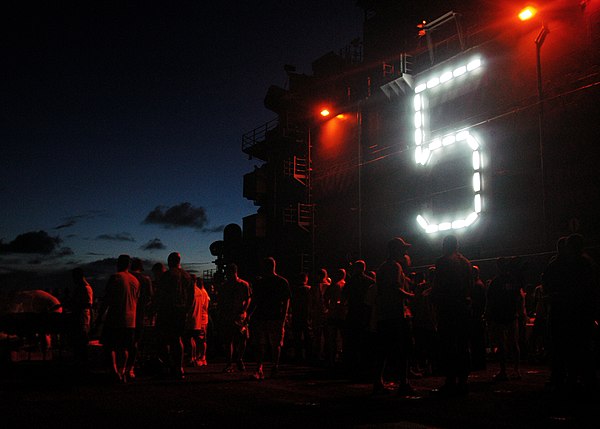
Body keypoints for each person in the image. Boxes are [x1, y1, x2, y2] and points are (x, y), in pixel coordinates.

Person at [430, 235, 473, 396]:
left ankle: (450, 380)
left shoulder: (442, 262)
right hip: (463, 307)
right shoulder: (466, 263)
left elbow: (440, 284)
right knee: (462, 345)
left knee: (448, 345)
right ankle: (463, 381)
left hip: (448, 307)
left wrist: (434, 298)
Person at [373, 237, 415, 396]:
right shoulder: (395, 267)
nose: (405, 251)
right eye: (403, 248)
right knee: (403, 349)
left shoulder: (383, 267)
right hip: (396, 314)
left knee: (383, 350)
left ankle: (378, 381)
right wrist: (411, 296)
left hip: (384, 314)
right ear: (396, 250)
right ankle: (404, 382)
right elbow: (396, 289)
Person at [97, 254, 140, 382]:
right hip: (130, 320)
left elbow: (107, 299)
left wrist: (100, 316)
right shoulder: (135, 281)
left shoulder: (115, 278)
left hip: (115, 318)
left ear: (118, 264)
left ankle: (115, 371)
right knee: (125, 347)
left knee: (110, 346)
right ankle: (123, 371)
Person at [249, 257, 290, 380]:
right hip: (274, 316)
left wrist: (248, 314)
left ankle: (260, 369)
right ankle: (273, 367)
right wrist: (284, 317)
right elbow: (286, 301)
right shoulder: (282, 282)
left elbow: (255, 301)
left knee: (262, 344)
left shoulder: (261, 283)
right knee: (275, 344)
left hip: (264, 316)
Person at [154, 252, 194, 379]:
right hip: (181, 312)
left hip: (168, 311)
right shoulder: (187, 276)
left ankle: (169, 365)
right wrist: (186, 310)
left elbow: (161, 295)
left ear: (170, 261)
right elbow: (191, 297)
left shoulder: (168, 275)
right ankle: (179, 367)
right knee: (178, 339)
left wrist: (155, 308)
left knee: (162, 339)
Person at [485, 257, 527, 381]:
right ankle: (515, 370)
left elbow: (490, 300)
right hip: (511, 314)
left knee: (503, 344)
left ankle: (505, 371)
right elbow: (519, 298)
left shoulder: (496, 282)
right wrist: (521, 312)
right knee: (513, 343)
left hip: (500, 315)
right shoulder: (512, 280)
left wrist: (487, 314)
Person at [342, 260, 375, 373]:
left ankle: (351, 365)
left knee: (352, 341)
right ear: (364, 268)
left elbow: (344, 297)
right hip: (365, 313)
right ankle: (364, 365)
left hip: (353, 313)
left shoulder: (350, 281)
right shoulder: (370, 281)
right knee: (365, 340)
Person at [218, 263, 252, 372]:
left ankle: (239, 359)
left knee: (243, 338)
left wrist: (244, 310)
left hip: (240, 317)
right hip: (229, 316)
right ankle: (230, 363)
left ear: (234, 272)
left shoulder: (243, 285)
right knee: (229, 340)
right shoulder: (225, 286)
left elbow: (248, 298)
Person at [129, 257, 153, 379]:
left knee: (123, 342)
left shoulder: (126, 277)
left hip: (126, 313)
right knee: (136, 342)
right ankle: (131, 367)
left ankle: (121, 367)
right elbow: (149, 297)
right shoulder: (145, 280)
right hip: (139, 314)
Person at [70, 267, 94, 368]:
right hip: (81, 318)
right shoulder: (82, 287)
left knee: (82, 341)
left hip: (82, 318)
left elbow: (88, 304)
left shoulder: (85, 288)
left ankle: (84, 362)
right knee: (80, 340)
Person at [324, 268, 347, 367]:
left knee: (332, 337)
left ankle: (331, 358)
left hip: (333, 314)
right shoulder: (345, 285)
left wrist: (329, 307)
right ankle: (342, 357)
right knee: (343, 336)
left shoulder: (333, 286)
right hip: (342, 314)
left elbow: (325, 298)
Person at [186, 276, 210, 367]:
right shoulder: (202, 292)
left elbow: (202, 306)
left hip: (202, 318)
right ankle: (199, 357)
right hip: (201, 318)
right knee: (199, 339)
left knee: (200, 339)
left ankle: (202, 358)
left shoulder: (201, 292)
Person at [290, 272, 313, 363]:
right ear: (306, 279)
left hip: (296, 315)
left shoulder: (294, 290)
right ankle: (309, 355)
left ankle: (298, 356)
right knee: (308, 337)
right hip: (307, 316)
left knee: (297, 337)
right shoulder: (309, 289)